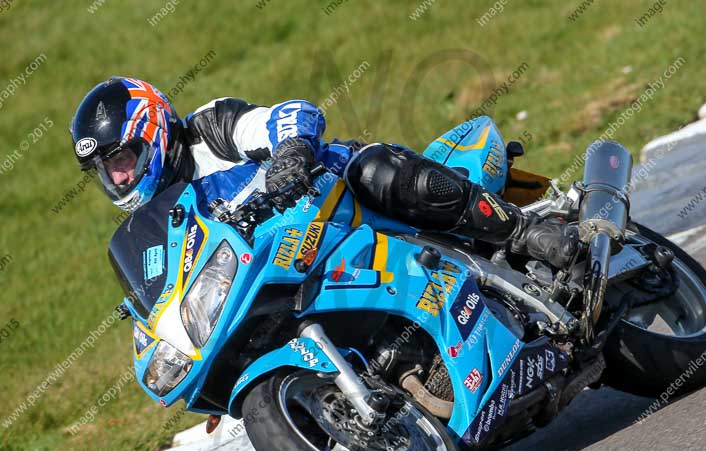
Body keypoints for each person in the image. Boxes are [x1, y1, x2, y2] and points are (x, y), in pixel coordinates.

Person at [70, 77, 577, 267]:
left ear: (152, 130)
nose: (119, 179)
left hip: (339, 202)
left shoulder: (210, 128)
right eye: (107, 171)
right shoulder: (156, 224)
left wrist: (291, 153)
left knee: (375, 170)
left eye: (122, 160)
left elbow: (290, 114)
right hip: (292, 260)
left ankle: (524, 231)